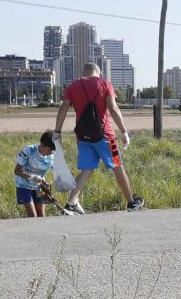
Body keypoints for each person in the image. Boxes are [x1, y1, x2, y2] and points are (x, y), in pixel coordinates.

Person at [52, 62, 143, 213]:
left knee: (87, 169)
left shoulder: (74, 86)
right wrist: (124, 131)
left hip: (83, 137)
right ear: (99, 72)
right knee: (118, 166)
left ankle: (72, 203)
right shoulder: (105, 83)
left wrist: (57, 131)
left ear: (84, 72)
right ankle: (132, 203)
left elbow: (63, 109)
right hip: (106, 136)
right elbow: (113, 108)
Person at [13, 131, 56, 218]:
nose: (52, 152)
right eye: (50, 150)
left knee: (41, 214)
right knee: (33, 215)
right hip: (24, 186)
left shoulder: (52, 156)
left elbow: (57, 171)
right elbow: (16, 171)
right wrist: (31, 177)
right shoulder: (28, 150)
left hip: (40, 187)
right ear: (42, 145)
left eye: (53, 150)